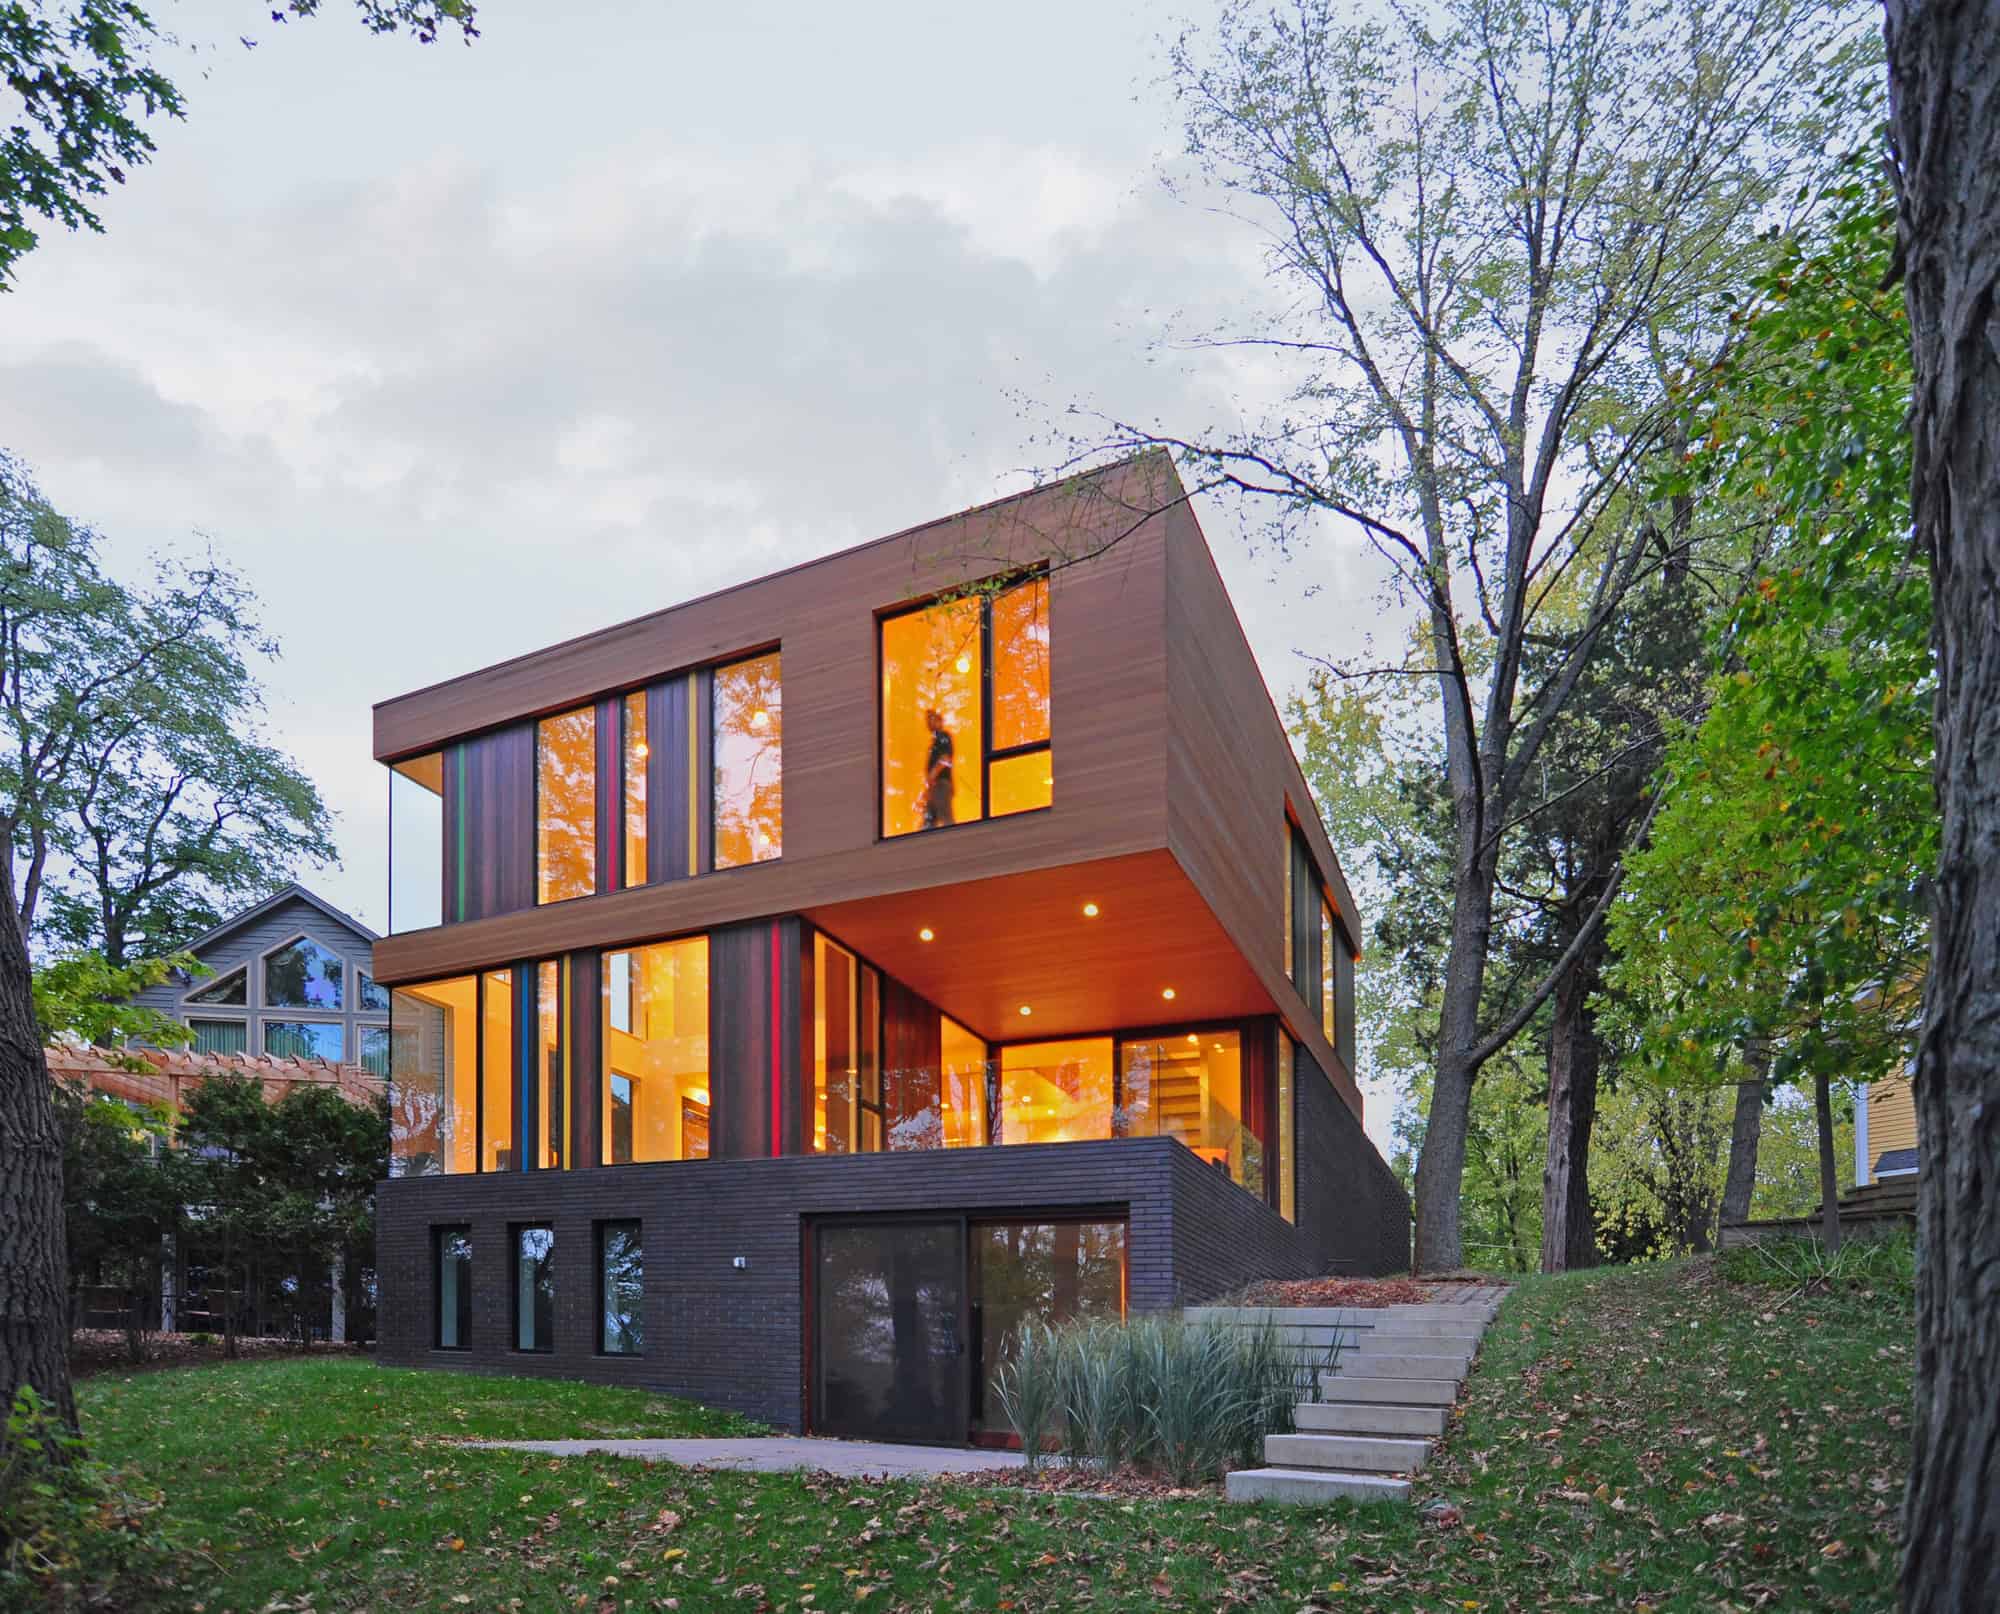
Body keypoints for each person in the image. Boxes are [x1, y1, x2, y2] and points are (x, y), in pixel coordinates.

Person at [921, 706, 955, 830]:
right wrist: (928, 790)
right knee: (928, 822)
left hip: (941, 785)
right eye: (927, 720)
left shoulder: (944, 736)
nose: (929, 722)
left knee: (946, 819)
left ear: (940, 721)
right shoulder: (934, 743)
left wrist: (932, 775)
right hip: (935, 788)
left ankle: (954, 842)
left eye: (932, 719)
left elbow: (946, 759)